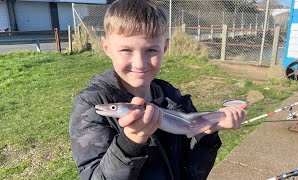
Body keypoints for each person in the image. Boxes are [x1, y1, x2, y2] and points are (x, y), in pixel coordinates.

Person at [69, 0, 247, 179]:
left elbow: (193, 174)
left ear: (165, 47)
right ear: (107, 47)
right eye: (126, 50)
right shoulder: (91, 105)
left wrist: (207, 132)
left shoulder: (173, 98)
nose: (139, 63)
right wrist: (130, 142)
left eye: (151, 50)